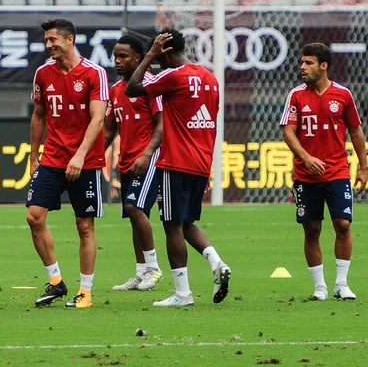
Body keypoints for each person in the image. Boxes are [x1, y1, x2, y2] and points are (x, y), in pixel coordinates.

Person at [125, 28, 231, 307]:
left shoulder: (173, 76)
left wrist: (148, 56)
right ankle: (216, 261)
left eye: (159, 55)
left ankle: (182, 294)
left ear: (165, 52)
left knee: (171, 226)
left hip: (175, 162)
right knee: (186, 223)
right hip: (200, 163)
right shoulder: (210, 78)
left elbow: (132, 87)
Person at [26, 18, 108, 308]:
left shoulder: (94, 73)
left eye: (53, 40)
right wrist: (34, 156)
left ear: (69, 39)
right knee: (34, 216)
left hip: (86, 161)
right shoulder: (43, 74)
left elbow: (98, 118)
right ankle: (56, 282)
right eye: (46, 40)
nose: (48, 45)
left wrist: (81, 154)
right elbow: (39, 115)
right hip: (52, 158)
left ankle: (85, 292)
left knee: (84, 226)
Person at [280, 42, 367, 301]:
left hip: (338, 171)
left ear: (323, 66)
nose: (302, 67)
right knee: (312, 229)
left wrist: (364, 167)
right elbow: (288, 132)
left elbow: (355, 131)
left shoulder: (343, 95)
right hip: (306, 175)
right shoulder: (296, 95)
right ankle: (320, 287)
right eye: (302, 62)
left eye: (308, 62)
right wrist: (305, 158)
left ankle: (341, 284)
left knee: (342, 224)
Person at [104, 35, 164, 291]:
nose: (118, 61)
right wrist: (93, 157)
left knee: (134, 207)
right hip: (127, 161)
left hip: (148, 159)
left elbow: (163, 125)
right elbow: (109, 130)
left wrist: (147, 154)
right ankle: (141, 273)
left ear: (138, 58)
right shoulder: (116, 90)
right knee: (134, 214)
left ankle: (154, 268)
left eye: (124, 56)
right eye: (116, 56)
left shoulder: (151, 84)